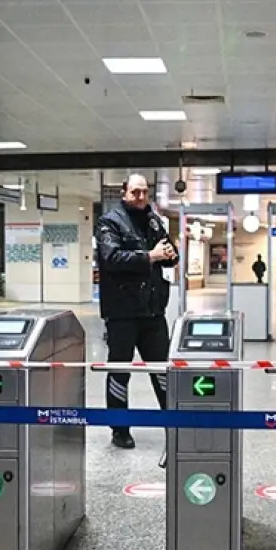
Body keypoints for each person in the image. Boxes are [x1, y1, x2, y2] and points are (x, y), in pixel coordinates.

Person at [96, 174, 179, 449]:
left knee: (163, 371)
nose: (140, 197)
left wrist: (169, 253)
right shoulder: (110, 222)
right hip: (122, 313)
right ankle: (119, 428)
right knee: (120, 371)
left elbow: (171, 251)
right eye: (135, 192)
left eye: (144, 192)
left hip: (153, 312)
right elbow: (112, 258)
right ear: (124, 193)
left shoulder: (153, 219)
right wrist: (151, 256)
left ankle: (173, 423)